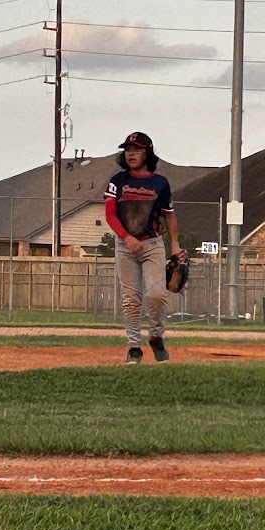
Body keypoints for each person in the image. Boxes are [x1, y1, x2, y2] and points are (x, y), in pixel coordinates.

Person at [104, 132, 184, 364]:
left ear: (147, 153)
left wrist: (175, 244)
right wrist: (126, 237)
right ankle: (134, 347)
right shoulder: (117, 181)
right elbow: (110, 214)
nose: (131, 154)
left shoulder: (160, 183)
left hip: (152, 244)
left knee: (157, 294)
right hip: (125, 245)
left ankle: (157, 337)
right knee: (131, 299)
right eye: (128, 150)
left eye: (137, 150)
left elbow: (169, 215)